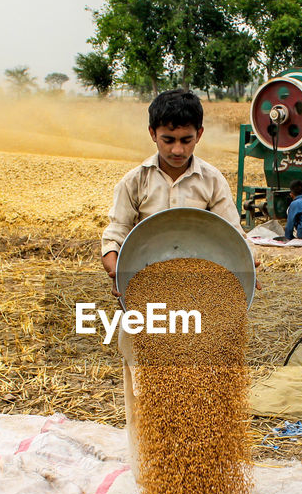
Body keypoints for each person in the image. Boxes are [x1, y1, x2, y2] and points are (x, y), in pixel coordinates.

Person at [100, 89, 244, 469]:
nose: (177, 149)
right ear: (152, 134)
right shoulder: (135, 182)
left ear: (199, 134)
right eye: (168, 140)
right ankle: (152, 468)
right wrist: (115, 263)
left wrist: (247, 267)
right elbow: (115, 233)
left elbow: (234, 236)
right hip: (150, 303)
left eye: (186, 140)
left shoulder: (211, 181)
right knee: (147, 389)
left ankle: (205, 466)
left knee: (203, 385)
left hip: (201, 299)